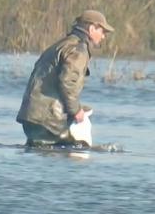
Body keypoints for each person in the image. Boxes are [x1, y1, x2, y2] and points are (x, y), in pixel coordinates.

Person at [16, 9, 114, 148]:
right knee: (76, 151)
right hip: (47, 120)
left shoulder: (63, 44)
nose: (103, 36)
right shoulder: (78, 49)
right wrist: (75, 110)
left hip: (33, 116)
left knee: (42, 152)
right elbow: (68, 83)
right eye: (102, 31)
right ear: (92, 29)